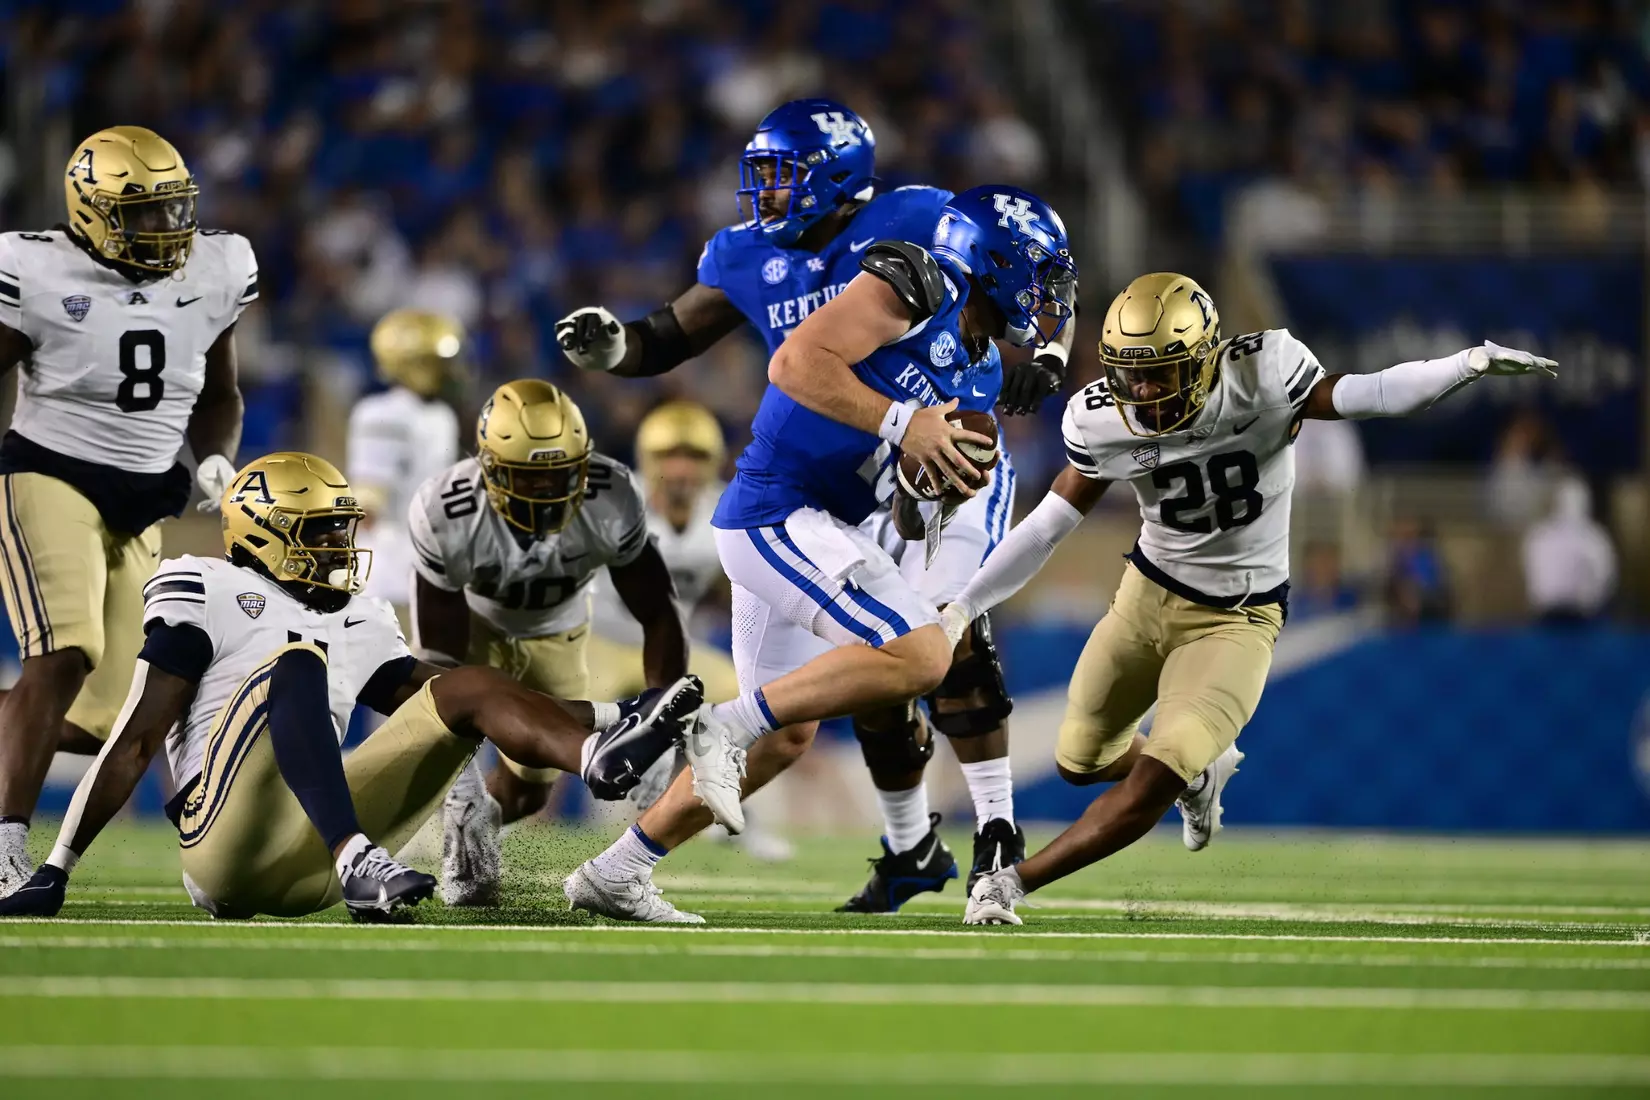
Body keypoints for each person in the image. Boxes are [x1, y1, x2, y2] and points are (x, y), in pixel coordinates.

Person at [557, 99, 1074, 911]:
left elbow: (919, 478)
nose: (1049, 301)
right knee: (925, 652)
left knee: (791, 733)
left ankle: (614, 871)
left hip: (825, 517)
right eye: (1040, 279)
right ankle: (719, 725)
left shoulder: (975, 366)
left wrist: (919, 487)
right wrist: (905, 425)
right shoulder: (917, 272)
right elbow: (794, 362)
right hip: (776, 511)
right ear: (999, 264)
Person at [942, 272, 1556, 925]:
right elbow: (1046, 527)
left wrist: (1468, 363)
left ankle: (1011, 883)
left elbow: (1371, 393)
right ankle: (1199, 776)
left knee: (1155, 777)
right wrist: (958, 606)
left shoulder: (1262, 376)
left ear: (1204, 359)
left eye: (1163, 372)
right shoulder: (1101, 417)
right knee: (1078, 760)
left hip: (1235, 618)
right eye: (1132, 374)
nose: (1144, 393)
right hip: (1144, 596)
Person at [0, 453, 713, 921]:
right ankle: (358, 859)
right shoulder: (205, 584)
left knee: (462, 686)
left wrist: (620, 712)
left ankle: (595, 752)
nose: (339, 549)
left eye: (341, 531)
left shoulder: (358, 613)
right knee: (299, 663)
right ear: (262, 533)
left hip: (305, 866)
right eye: (319, 532)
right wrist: (57, 865)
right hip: (222, 844)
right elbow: (139, 735)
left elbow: (461, 706)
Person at [0, 126, 253, 896]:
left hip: (147, 495)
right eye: (143, 214)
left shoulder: (218, 265)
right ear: (92, 212)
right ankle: (7, 848)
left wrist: (213, 453)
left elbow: (218, 390)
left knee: (113, 716)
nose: (167, 230)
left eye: (176, 210)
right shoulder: (34, 268)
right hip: (50, 472)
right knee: (64, 650)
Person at [408, 380, 692, 905]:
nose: (549, 494)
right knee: (456, 783)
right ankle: (449, 833)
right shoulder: (446, 511)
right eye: (530, 479)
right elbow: (440, 661)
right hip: (473, 632)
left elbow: (657, 610)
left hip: (557, 633)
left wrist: (660, 710)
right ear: (491, 468)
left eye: (562, 475)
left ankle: (483, 825)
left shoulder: (611, 495)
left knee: (528, 790)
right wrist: (459, 782)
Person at [345, 309, 466, 612]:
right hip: (389, 558)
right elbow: (368, 501)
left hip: (430, 554)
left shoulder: (441, 415)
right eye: (439, 362)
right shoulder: (383, 413)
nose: (450, 371)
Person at [1522, 475, 1615, 623]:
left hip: (1582, 613)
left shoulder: (1594, 536)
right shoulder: (1540, 535)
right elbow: (1533, 574)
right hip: (1550, 611)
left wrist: (1591, 600)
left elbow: (1606, 576)